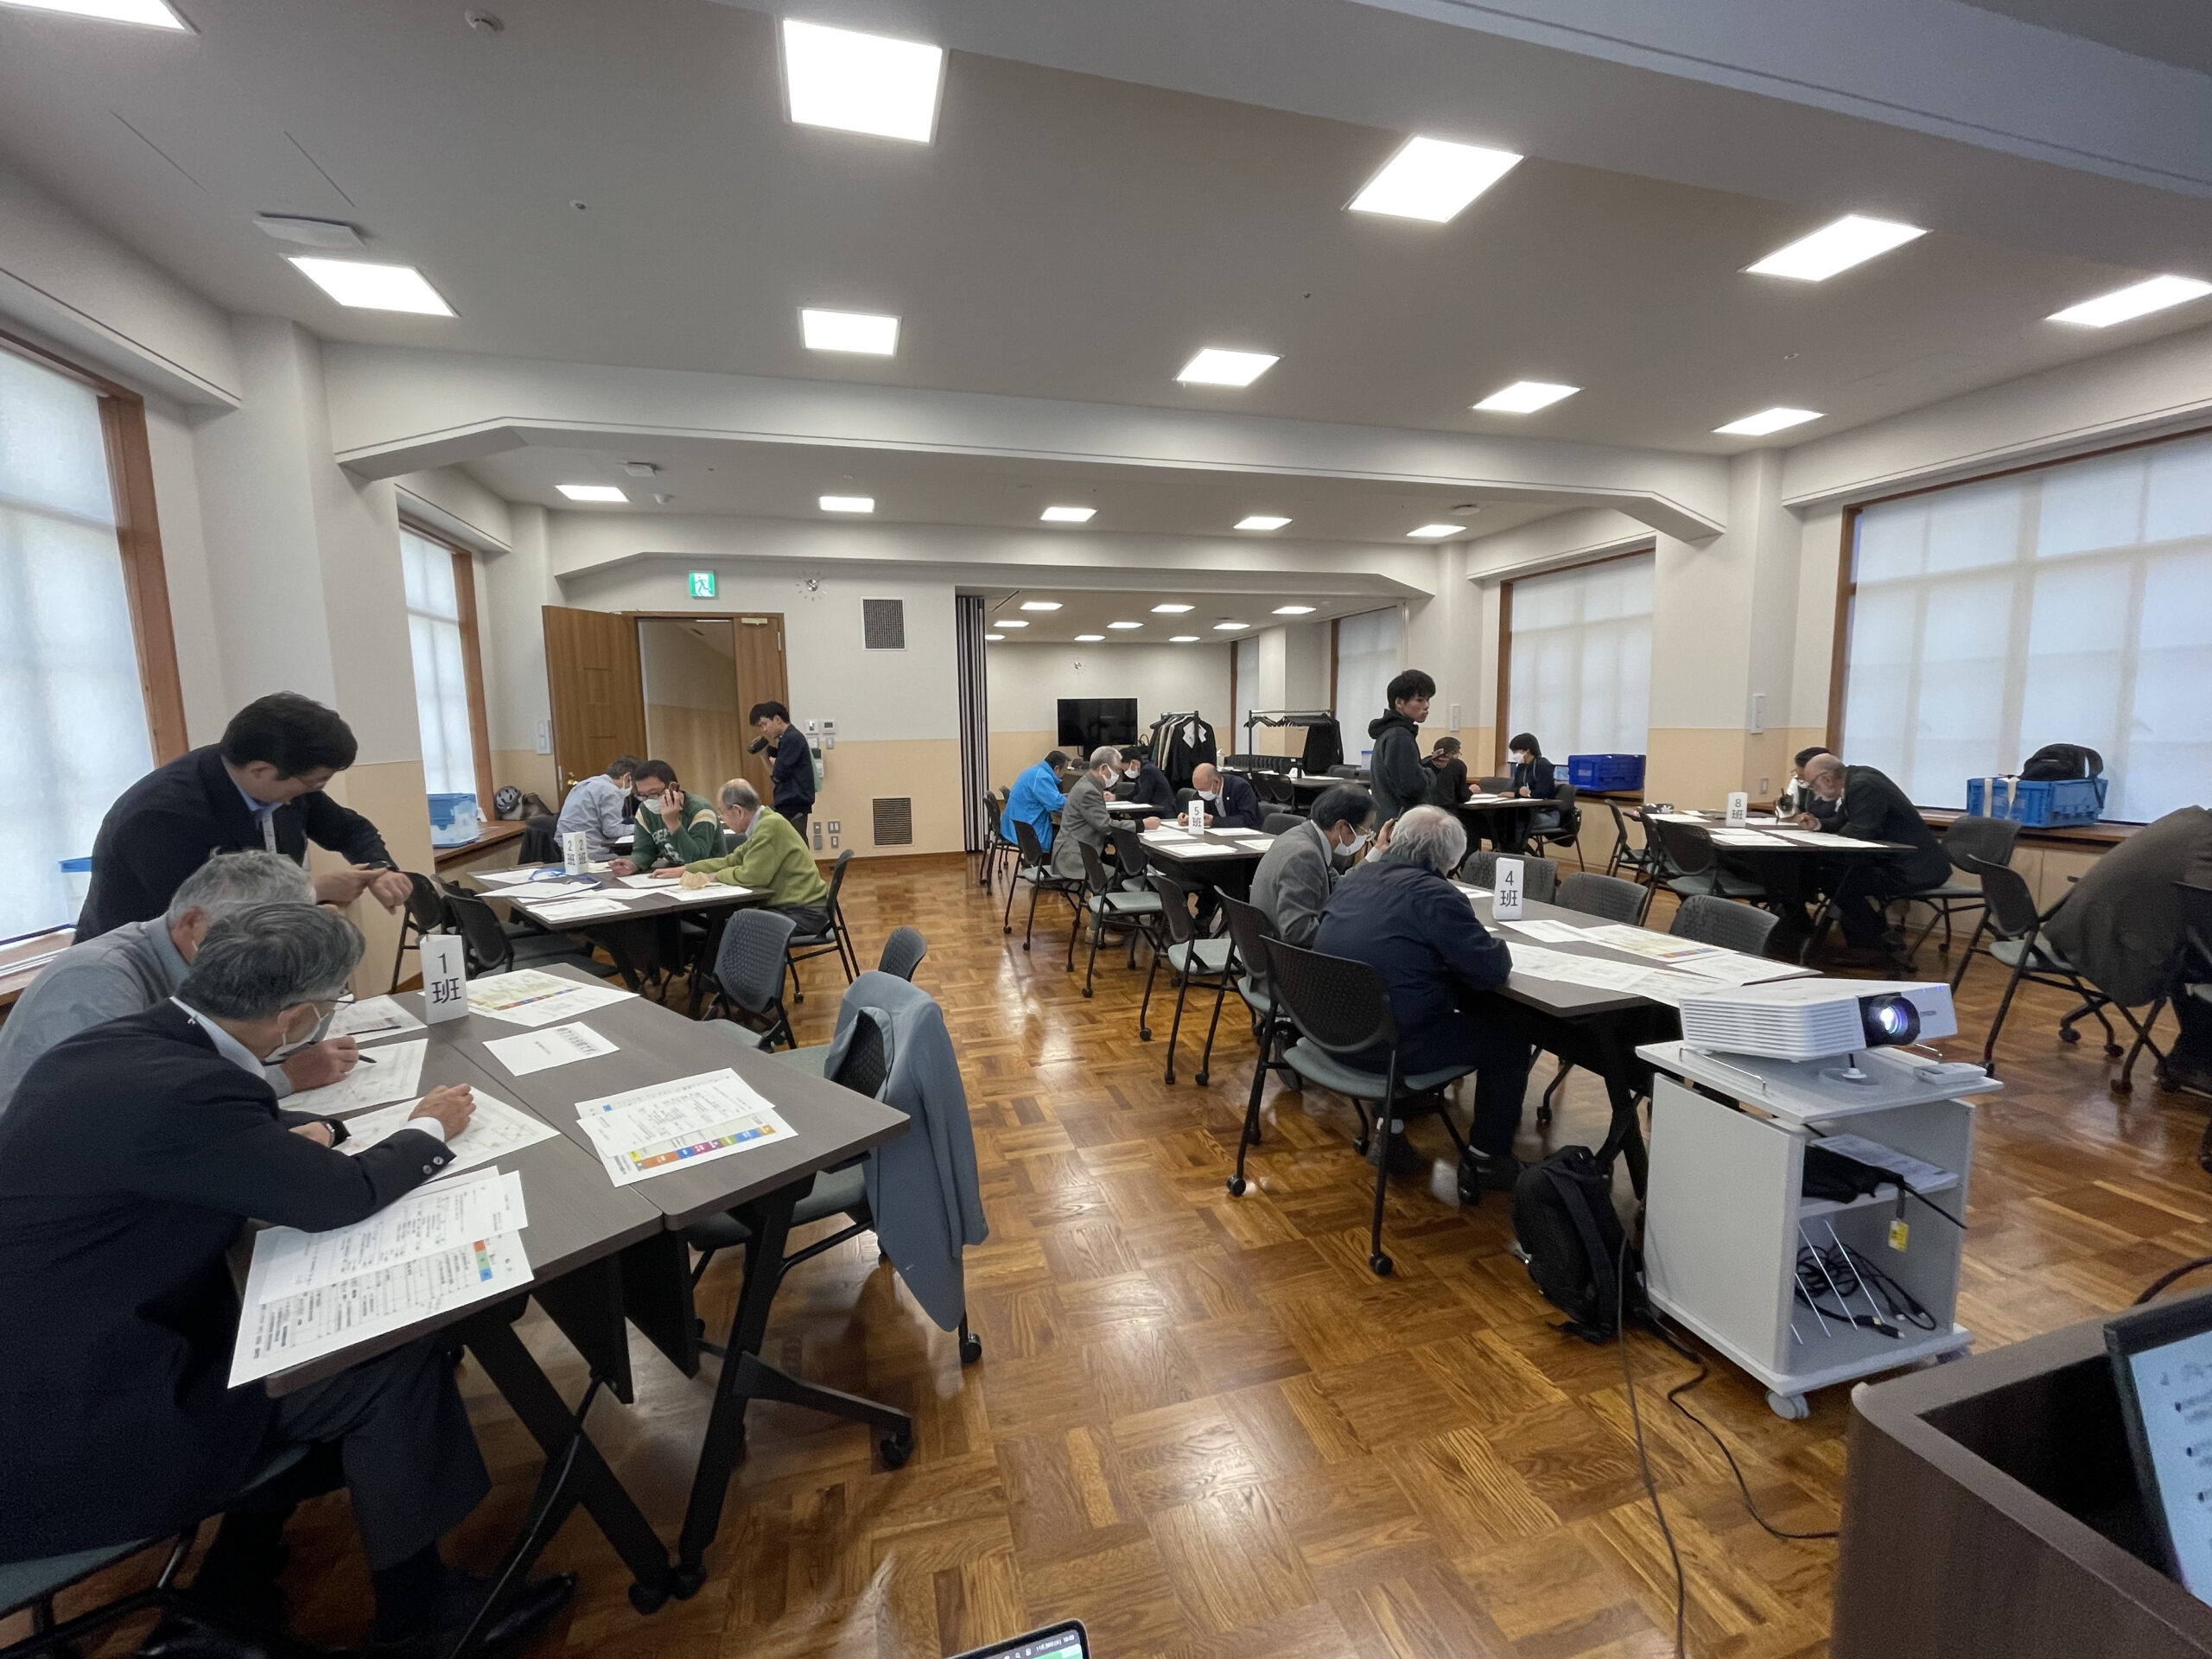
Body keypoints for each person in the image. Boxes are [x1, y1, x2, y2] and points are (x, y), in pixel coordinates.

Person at [0, 906, 575, 1655]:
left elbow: (198, 1144)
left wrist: (313, 1134)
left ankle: (238, 1577)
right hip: (88, 1427)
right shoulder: (192, 1091)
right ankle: (422, 1619)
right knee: (382, 1358)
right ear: (295, 1016)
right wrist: (429, 1125)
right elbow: (342, 1197)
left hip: (49, 1368)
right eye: (333, 1000)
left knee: (291, 1331)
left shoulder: (119, 1044)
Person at [0, 851, 356, 1116]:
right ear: (192, 923)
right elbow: (124, 1106)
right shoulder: (97, 976)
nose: (266, 959)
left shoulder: (204, 968)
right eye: (248, 936)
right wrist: (286, 1078)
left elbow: (282, 1043)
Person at [1314, 804, 1533, 1192]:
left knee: (1403, 996)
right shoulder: (1436, 895)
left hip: (1330, 1031)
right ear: (1448, 860)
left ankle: (1392, 1128)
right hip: (1386, 1048)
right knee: (1510, 1038)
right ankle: (1486, 1158)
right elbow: (1490, 971)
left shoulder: (1356, 878)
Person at [77, 692, 410, 939]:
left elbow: (350, 829)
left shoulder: (285, 784)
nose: (314, 791)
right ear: (260, 770)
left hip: (242, 947)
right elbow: (200, 914)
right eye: (314, 782)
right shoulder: (161, 815)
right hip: (145, 968)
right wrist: (313, 890)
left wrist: (380, 870)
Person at [2042, 804, 2212, 1011]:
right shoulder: (2206, 842)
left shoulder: (2189, 819)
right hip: (2109, 950)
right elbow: (2203, 907)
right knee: (2201, 961)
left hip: (2074, 931)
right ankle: (2195, 1032)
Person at [1789, 753, 1950, 953]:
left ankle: (1876, 942)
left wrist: (1828, 844)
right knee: (1832, 875)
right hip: (1899, 863)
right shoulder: (1856, 778)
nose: (1813, 792)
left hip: (1914, 869)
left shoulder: (1863, 786)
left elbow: (1860, 832)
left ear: (1827, 779)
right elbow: (1844, 822)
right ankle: (1874, 939)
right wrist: (1817, 824)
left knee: (1835, 880)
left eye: (1812, 786)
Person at [1249, 786, 1385, 982]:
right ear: (1342, 827)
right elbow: (1297, 931)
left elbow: (1338, 885)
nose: (1367, 836)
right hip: (1287, 970)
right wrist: (1350, 932)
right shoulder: (1305, 856)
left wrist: (1378, 851)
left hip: (1270, 955)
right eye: (1367, 830)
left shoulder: (1301, 836)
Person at [670, 779, 830, 931]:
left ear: (738, 811)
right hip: (792, 906)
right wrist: (687, 869)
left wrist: (714, 876)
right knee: (729, 924)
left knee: (734, 928)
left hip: (804, 912)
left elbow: (752, 876)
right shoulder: (764, 822)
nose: (722, 818)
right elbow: (732, 860)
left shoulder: (769, 827)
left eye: (722, 812)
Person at [619, 760, 724, 872]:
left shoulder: (701, 811)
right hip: (673, 873)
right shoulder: (645, 810)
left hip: (709, 874)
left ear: (673, 787)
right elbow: (644, 851)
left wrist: (673, 823)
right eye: (643, 795)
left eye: (654, 793)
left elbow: (696, 860)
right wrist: (634, 864)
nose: (649, 800)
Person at [1366, 669, 1433, 823]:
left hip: (1389, 820)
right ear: (1399, 703)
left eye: (1428, 700)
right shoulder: (1399, 735)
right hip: (1402, 823)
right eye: (1420, 700)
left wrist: (1431, 765)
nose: (1427, 706)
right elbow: (1412, 787)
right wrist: (1431, 775)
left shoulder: (1390, 732)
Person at [1050, 747, 1122, 881]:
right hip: (1073, 857)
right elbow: (1106, 825)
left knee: (1117, 866)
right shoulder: (1089, 791)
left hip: (1074, 851)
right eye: (1116, 770)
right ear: (1103, 768)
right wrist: (1140, 825)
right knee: (1117, 877)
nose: (1118, 774)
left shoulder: (1087, 783)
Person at [749, 701, 817, 844]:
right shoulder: (788, 738)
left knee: (795, 846)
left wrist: (763, 755)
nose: (764, 730)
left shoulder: (792, 738)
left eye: (764, 724)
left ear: (777, 719)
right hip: (790, 803)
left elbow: (777, 776)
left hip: (793, 805)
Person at [554, 753, 640, 862]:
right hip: (590, 853)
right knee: (634, 859)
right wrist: (641, 827)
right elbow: (612, 830)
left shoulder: (583, 784)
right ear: (627, 777)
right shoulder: (611, 791)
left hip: (562, 850)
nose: (632, 790)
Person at [1001, 751, 1071, 855]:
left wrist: (1066, 797)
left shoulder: (1034, 771)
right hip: (1029, 833)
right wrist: (1076, 800)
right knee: (1070, 838)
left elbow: (1050, 797)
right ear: (1057, 769)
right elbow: (1056, 803)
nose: (1064, 774)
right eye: (1065, 770)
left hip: (1016, 827)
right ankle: (1050, 864)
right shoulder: (1042, 778)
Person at [1189, 762, 1262, 830]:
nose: (1200, 793)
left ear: (1217, 782)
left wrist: (1214, 821)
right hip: (1218, 834)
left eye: (1202, 789)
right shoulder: (1203, 789)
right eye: (1197, 789)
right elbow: (1197, 808)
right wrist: (1190, 818)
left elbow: (1248, 819)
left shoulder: (1240, 787)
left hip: (1246, 834)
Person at [1778, 747, 1841, 823]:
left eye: (1804, 777)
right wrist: (1784, 806)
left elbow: (1842, 821)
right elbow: (1788, 815)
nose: (1801, 781)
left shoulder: (1844, 787)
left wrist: (1816, 823)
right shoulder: (1798, 781)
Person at [1118, 746, 1177, 818]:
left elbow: (1142, 798)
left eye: (1125, 769)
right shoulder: (1141, 771)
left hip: (1162, 813)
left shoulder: (1148, 771)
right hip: (1153, 811)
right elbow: (1135, 794)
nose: (1125, 772)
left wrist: (1128, 802)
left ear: (1134, 763)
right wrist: (1116, 797)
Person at [1425, 735, 1471, 807]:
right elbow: (1462, 796)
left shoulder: (1425, 763)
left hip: (1424, 807)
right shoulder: (1457, 764)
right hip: (1448, 809)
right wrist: (1471, 791)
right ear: (1451, 753)